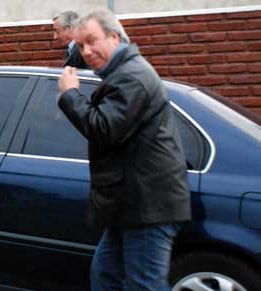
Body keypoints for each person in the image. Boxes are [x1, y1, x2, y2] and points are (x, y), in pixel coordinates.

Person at [57, 8, 192, 291]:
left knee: (144, 285)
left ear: (114, 37)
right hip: (129, 205)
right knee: (105, 276)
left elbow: (104, 128)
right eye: (81, 45)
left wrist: (70, 95)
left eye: (92, 41)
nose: (86, 51)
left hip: (147, 206)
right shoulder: (123, 73)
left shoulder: (132, 76)